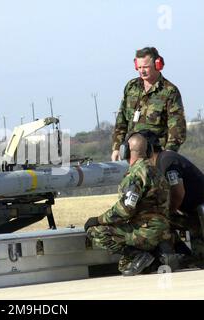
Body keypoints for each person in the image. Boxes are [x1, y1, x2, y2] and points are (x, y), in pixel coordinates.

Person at [85, 132, 171, 276]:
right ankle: (155, 257)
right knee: (124, 266)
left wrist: (98, 220)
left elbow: (125, 210)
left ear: (126, 151)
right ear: (148, 150)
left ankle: (137, 255)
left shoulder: (135, 175)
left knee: (95, 230)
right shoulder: (157, 172)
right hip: (164, 232)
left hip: (145, 232)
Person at [111, 47, 186, 162]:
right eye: (139, 67)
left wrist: (168, 154)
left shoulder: (169, 91)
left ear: (157, 65)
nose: (142, 71)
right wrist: (116, 148)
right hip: (131, 153)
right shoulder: (131, 87)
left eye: (146, 67)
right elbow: (121, 120)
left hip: (155, 154)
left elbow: (177, 127)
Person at [141, 129, 204, 258]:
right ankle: (183, 253)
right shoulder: (162, 160)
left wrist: (169, 212)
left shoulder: (166, 161)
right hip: (193, 212)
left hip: (198, 212)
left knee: (158, 222)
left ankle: (179, 255)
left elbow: (178, 192)